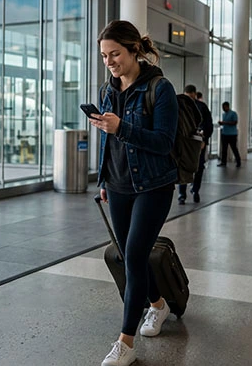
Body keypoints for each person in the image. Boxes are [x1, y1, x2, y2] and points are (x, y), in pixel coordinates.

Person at [89, 20, 178, 366]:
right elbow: (107, 140)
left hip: (153, 185)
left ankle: (124, 343)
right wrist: (103, 178)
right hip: (118, 184)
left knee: (136, 254)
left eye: (115, 54)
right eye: (103, 56)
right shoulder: (106, 90)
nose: (109, 61)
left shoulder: (161, 88)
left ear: (134, 51)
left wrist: (122, 127)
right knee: (129, 257)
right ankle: (157, 304)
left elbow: (164, 142)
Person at [178, 85, 212, 204]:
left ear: (194, 94)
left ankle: (195, 190)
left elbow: (208, 125)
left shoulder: (201, 107)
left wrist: (204, 140)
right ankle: (182, 194)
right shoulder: (179, 106)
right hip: (184, 142)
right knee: (182, 166)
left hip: (198, 142)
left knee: (199, 167)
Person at [218, 101, 242, 167]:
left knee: (234, 148)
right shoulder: (223, 114)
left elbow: (234, 122)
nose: (223, 109)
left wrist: (224, 123)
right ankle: (223, 162)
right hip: (225, 133)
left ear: (227, 106)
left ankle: (238, 161)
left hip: (232, 134)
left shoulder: (233, 113)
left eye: (224, 107)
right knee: (224, 149)